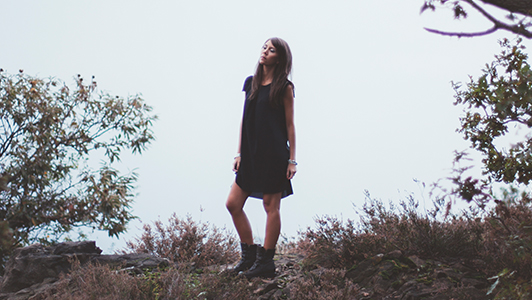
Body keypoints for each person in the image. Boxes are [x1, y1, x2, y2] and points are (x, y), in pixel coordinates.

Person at [225, 37, 297, 279]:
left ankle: (266, 260)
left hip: (274, 154)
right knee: (233, 204)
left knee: (271, 206)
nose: (265, 51)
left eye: (272, 49)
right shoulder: (251, 83)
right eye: (264, 47)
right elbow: (244, 121)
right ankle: (249, 256)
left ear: (280, 58)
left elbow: (290, 125)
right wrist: (239, 153)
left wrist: (292, 160)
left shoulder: (284, 87)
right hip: (251, 153)